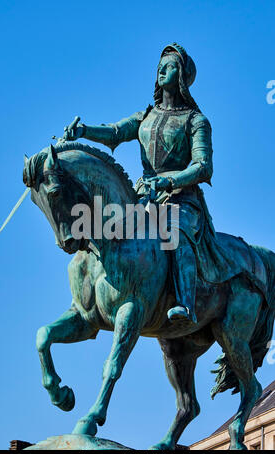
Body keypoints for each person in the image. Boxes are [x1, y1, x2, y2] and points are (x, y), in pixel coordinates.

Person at [59, 43, 216, 328]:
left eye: (169, 66)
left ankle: (186, 303)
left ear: (181, 76)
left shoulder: (196, 121)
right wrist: (84, 131)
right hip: (145, 200)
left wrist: (169, 180)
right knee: (105, 227)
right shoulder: (147, 116)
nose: (162, 69)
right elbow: (115, 132)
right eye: (161, 65)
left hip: (182, 201)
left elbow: (203, 166)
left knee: (175, 234)